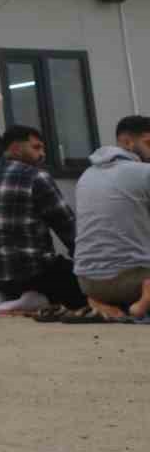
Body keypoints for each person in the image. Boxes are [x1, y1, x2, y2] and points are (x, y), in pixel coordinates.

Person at [0, 125, 86, 311]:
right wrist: (86, 266)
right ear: (15, 148)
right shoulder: (36, 177)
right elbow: (67, 227)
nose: (42, 154)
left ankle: (4, 297)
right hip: (33, 273)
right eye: (36, 147)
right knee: (83, 291)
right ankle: (36, 297)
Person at [71, 115, 150, 318]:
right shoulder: (144, 172)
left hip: (87, 282)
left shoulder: (86, 176)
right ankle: (142, 303)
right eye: (149, 143)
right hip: (135, 281)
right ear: (127, 142)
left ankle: (99, 302)